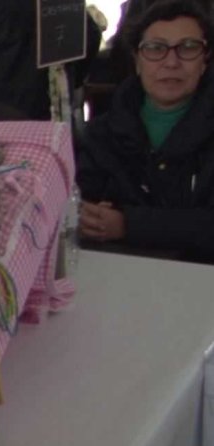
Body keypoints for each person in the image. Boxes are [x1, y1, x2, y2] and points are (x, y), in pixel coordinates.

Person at [76, 0, 214, 263]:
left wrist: (127, 224)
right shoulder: (101, 134)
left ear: (204, 61)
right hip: (117, 274)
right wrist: (88, 218)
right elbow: (81, 200)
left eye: (188, 48)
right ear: (137, 61)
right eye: (155, 48)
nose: (171, 62)